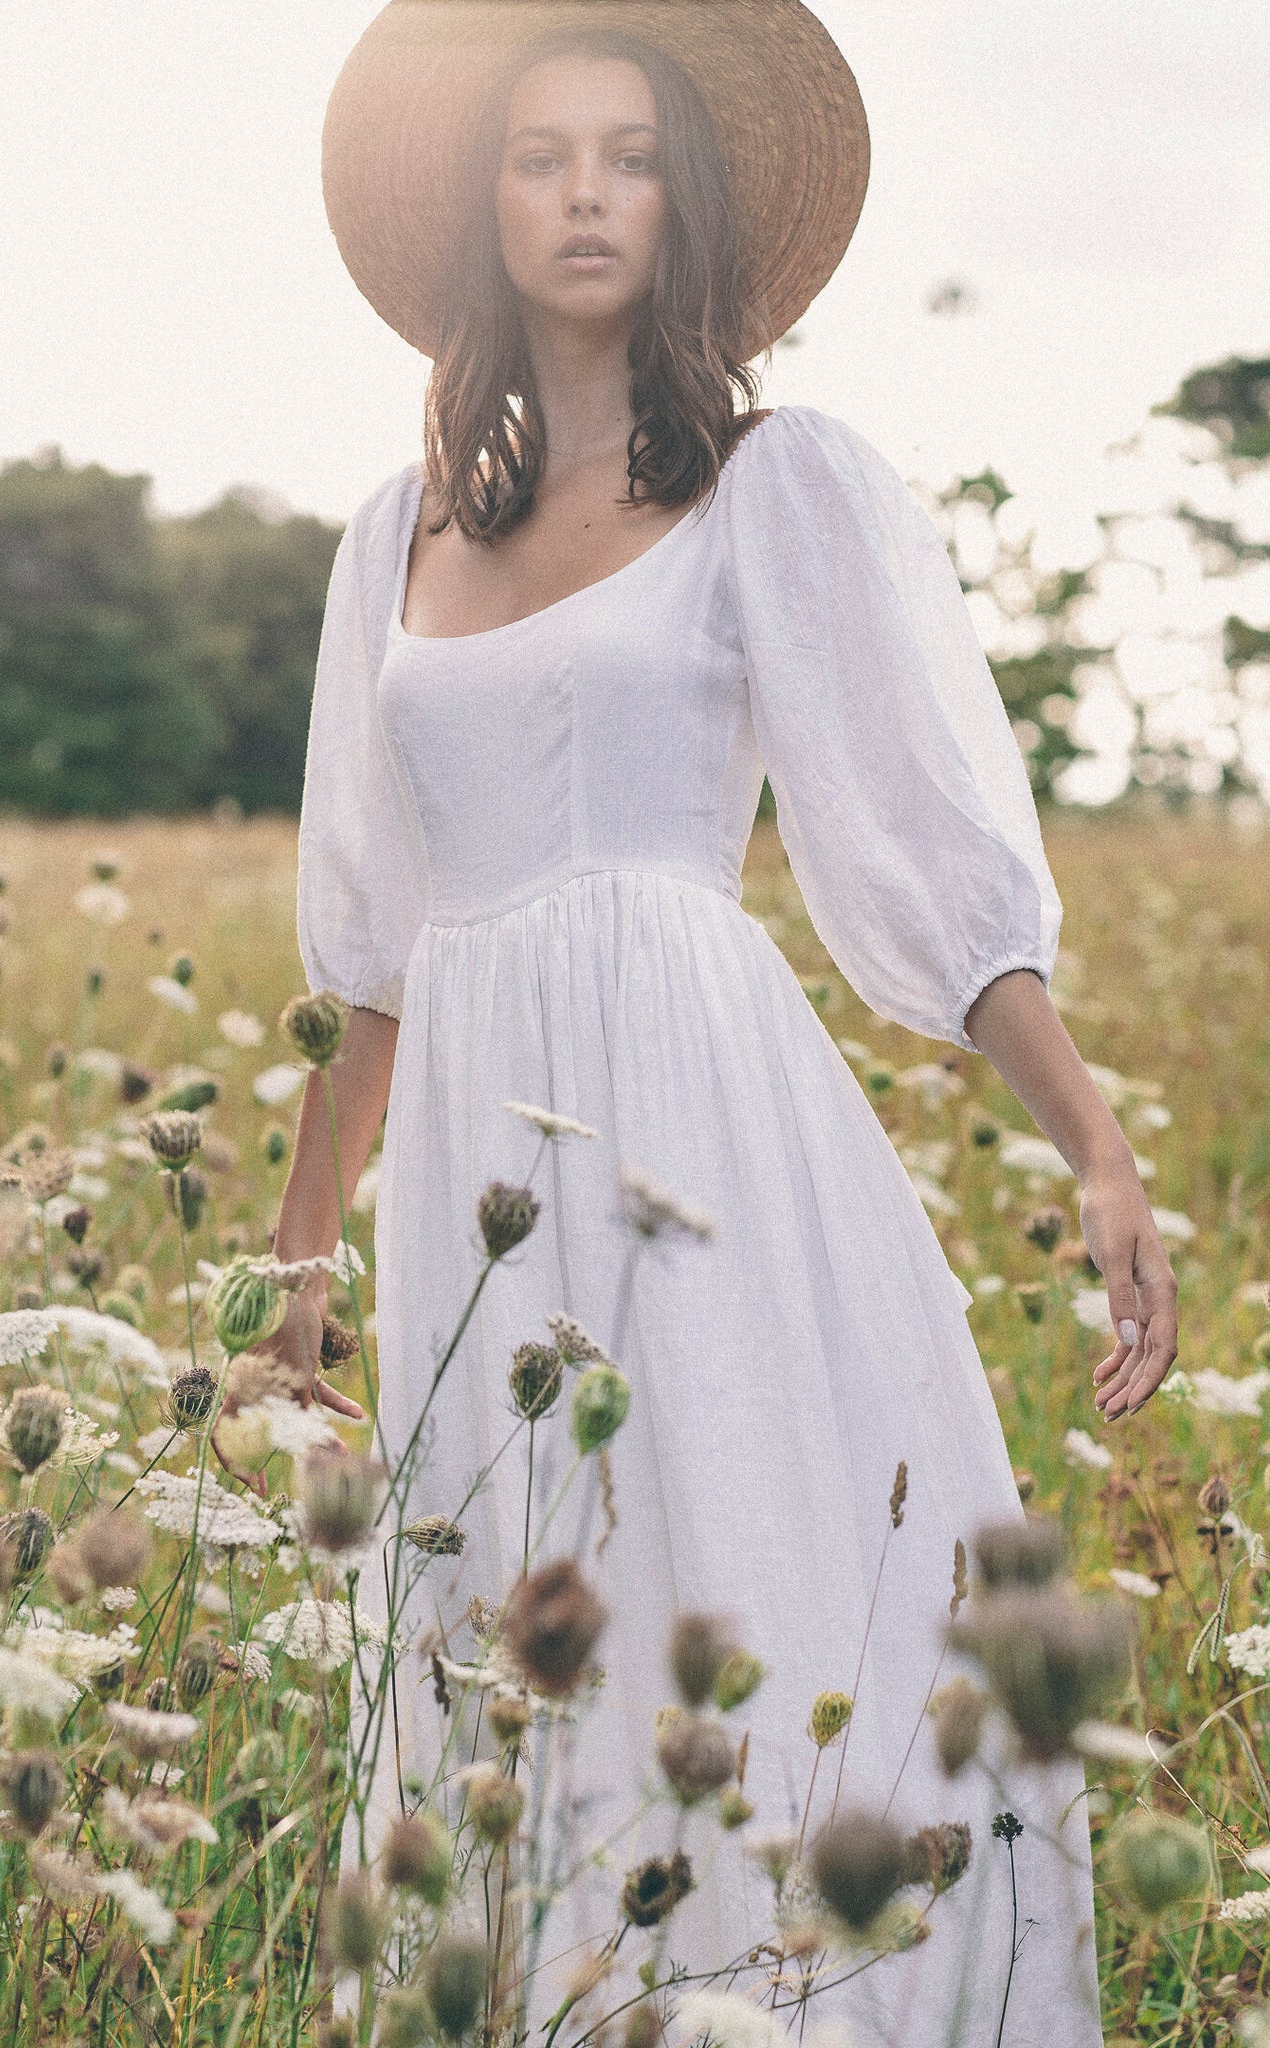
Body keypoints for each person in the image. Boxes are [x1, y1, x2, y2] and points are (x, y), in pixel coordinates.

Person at [240, 4, 1179, 2041]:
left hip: (707, 1131)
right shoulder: (385, 547)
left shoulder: (778, 487)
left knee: (746, 1568)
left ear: (683, 203)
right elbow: (367, 955)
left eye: (629, 155)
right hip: (477, 1172)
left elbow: (923, 858)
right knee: (516, 1623)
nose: (584, 193)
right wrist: (294, 1269)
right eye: (539, 155)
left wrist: (1089, 1142)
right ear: (484, 212)